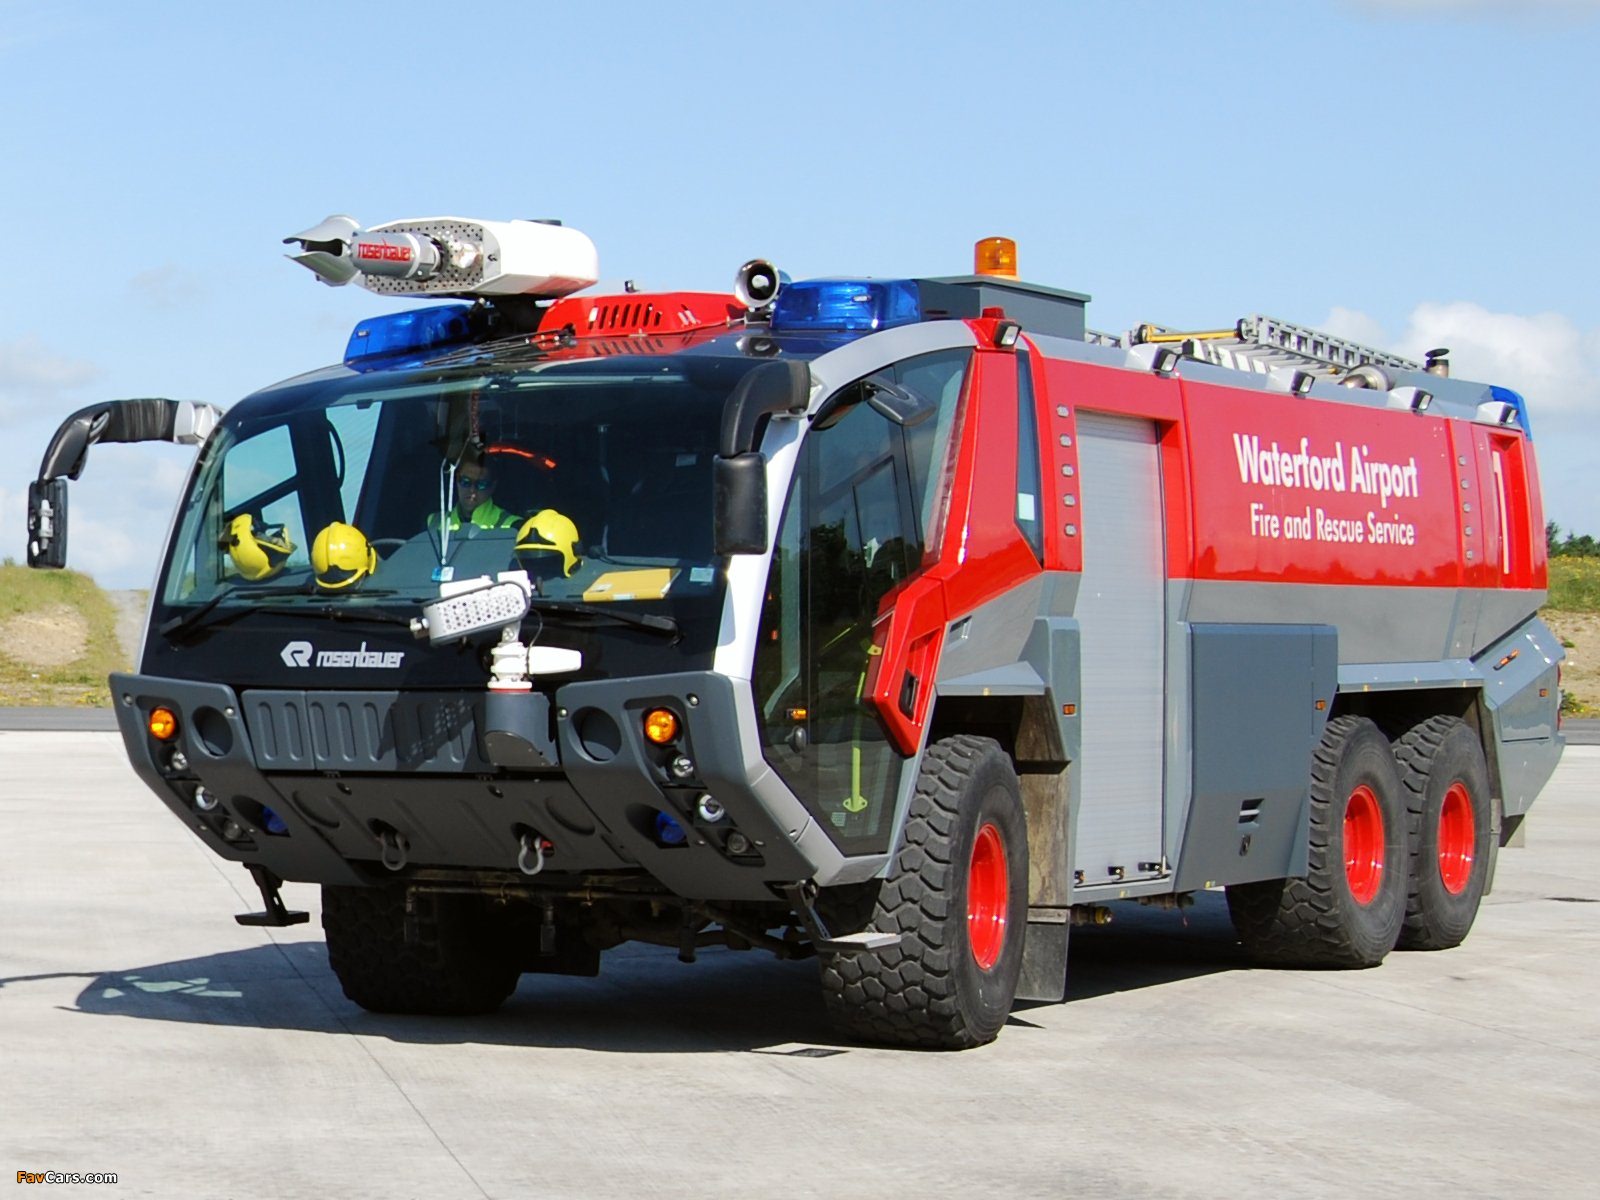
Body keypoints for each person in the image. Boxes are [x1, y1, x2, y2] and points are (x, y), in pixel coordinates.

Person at [430, 448, 522, 534]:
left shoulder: (512, 525)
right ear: (457, 479)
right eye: (465, 482)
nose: (472, 490)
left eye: (481, 484)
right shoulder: (433, 522)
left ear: (493, 486)